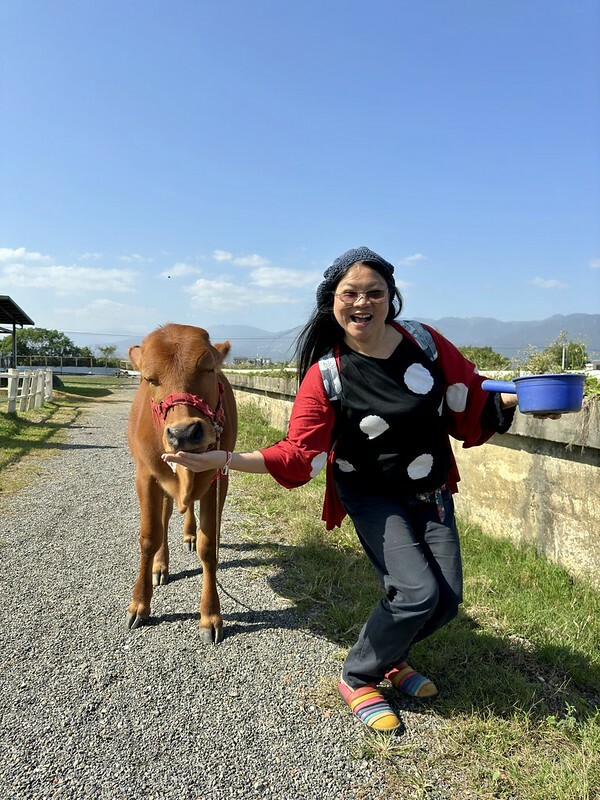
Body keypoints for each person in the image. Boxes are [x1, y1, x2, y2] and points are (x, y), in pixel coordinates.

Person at [162, 246, 524, 733]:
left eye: (375, 292)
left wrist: (519, 399)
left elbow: (470, 394)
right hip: (372, 495)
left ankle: (390, 658)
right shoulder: (327, 374)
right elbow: (298, 453)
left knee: (446, 600)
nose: (362, 302)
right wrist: (223, 459)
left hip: (431, 490)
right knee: (415, 593)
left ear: (391, 297)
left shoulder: (424, 342)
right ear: (331, 301)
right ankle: (359, 676)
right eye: (349, 293)